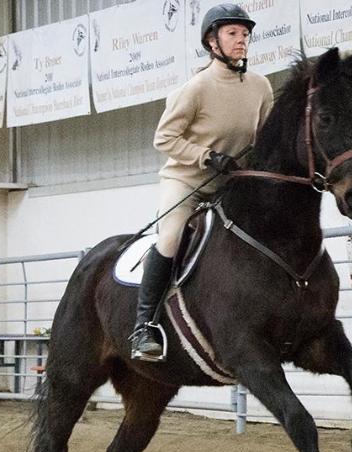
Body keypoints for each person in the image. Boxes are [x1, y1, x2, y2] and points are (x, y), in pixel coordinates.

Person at [129, 4, 274, 362]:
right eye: (232, 34)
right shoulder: (196, 88)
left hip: (234, 183)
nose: (241, 41)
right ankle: (143, 326)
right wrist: (207, 156)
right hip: (187, 181)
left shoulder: (261, 86)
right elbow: (163, 139)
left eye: (244, 34)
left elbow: (265, 139)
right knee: (171, 236)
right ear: (213, 42)